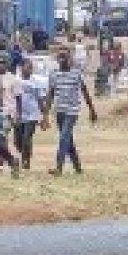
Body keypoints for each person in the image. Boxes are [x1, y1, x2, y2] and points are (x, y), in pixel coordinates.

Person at [43, 45, 98, 175]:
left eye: (64, 56)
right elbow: (50, 95)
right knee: (68, 140)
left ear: (69, 58)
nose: (62, 58)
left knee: (63, 138)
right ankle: (78, 167)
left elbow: (85, 92)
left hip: (72, 111)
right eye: (60, 56)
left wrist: (92, 110)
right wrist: (45, 115)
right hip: (59, 111)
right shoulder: (54, 74)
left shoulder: (76, 73)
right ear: (57, 59)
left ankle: (58, 167)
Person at [14, 57, 47, 170]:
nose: (30, 70)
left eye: (31, 68)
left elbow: (40, 99)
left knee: (26, 138)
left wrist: (44, 116)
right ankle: (26, 151)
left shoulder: (36, 82)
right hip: (19, 114)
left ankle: (25, 161)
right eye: (28, 67)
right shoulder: (16, 80)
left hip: (33, 115)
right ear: (21, 68)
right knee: (17, 141)